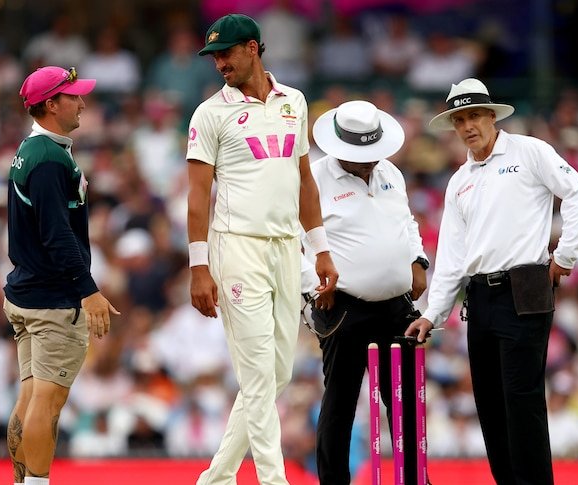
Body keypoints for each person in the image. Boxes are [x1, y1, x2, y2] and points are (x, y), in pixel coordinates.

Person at [406, 78, 578, 485]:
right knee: (490, 405)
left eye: (474, 115)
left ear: (492, 116)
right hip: (480, 298)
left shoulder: (529, 151)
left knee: (521, 400)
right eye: (460, 119)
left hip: (525, 289)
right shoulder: (460, 180)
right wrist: (433, 314)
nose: (468, 125)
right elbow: (453, 257)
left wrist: (565, 256)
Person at [186, 13, 338, 485]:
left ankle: (217, 476)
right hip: (237, 250)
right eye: (214, 57)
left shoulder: (294, 100)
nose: (219, 65)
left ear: (253, 48)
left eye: (226, 54)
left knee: (276, 374)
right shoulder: (210, 114)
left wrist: (321, 249)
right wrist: (199, 266)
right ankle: (275, 480)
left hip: (286, 248)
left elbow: (304, 181)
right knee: (257, 375)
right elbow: (196, 196)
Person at [303, 100, 430, 485]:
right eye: (362, 155)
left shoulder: (389, 171)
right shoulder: (311, 179)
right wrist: (312, 287)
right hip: (342, 305)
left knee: (405, 403)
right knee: (340, 402)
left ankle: (414, 480)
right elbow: (290, 242)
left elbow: (406, 221)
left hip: (396, 305)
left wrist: (418, 260)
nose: (370, 162)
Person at [4, 66, 120, 485]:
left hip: (27, 290)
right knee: (47, 404)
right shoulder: (50, 159)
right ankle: (36, 483)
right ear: (51, 103)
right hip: (52, 299)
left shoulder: (34, 149)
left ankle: (22, 482)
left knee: (31, 398)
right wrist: (88, 291)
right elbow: (57, 235)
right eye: (72, 96)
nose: (82, 102)